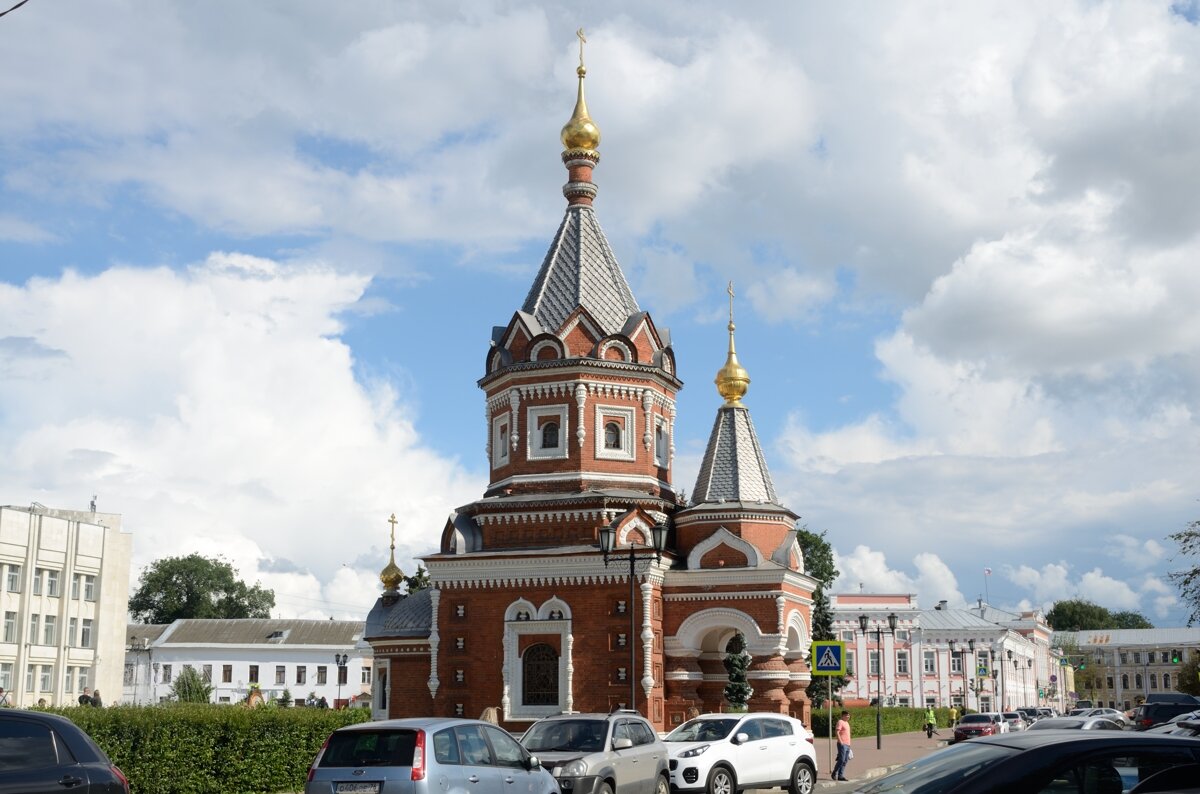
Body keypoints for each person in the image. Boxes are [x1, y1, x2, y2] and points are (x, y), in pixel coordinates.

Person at [832, 710, 852, 782]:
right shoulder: (840, 722)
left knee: (845, 760)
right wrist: (841, 742)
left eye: (848, 715)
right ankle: (834, 772)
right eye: (846, 715)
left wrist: (849, 744)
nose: (848, 716)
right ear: (843, 715)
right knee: (841, 759)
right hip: (842, 744)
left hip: (848, 744)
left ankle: (840, 775)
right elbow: (837, 732)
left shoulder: (847, 723)